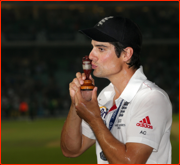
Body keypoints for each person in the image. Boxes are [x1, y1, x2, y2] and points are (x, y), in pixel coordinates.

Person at [60, 16, 172, 164]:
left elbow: (130, 162)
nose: (91, 56)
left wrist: (94, 119)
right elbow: (71, 150)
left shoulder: (151, 98)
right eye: (92, 47)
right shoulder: (104, 96)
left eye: (101, 48)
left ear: (126, 54)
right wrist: (77, 103)